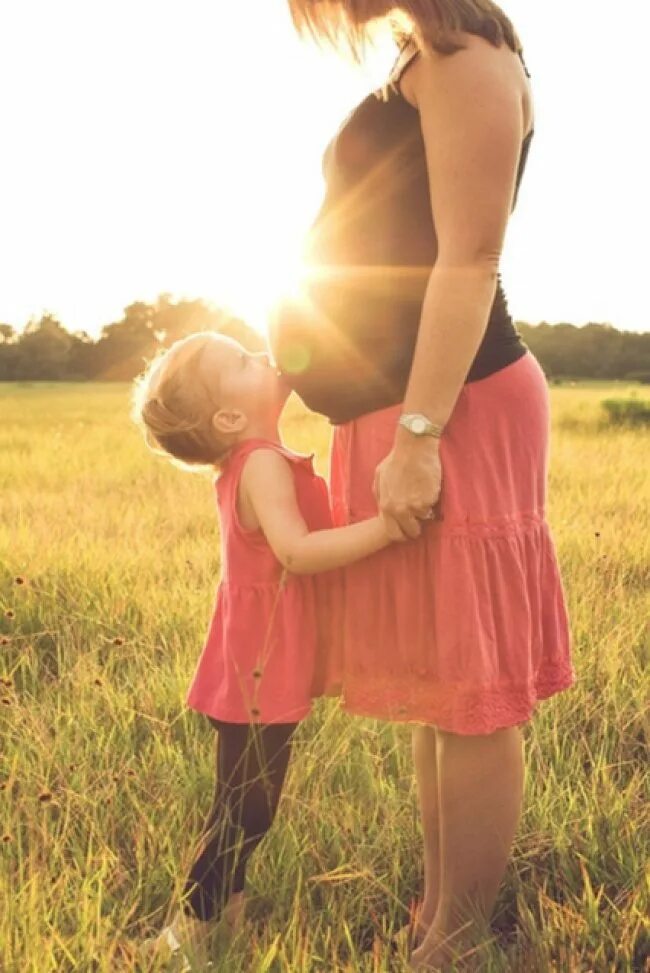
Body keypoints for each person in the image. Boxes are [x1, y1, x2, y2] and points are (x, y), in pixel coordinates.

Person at [271, 1, 576, 967]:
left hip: (459, 406)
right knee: (444, 688)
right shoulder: (423, 54)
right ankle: (438, 924)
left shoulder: (470, 56)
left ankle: (461, 943)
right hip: (415, 407)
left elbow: (472, 257)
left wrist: (417, 432)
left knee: (475, 692)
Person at [129, 331, 398, 969]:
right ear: (228, 416)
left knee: (244, 798)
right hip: (261, 656)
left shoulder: (259, 454)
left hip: (258, 647)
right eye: (244, 360)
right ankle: (186, 930)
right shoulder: (260, 462)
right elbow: (297, 552)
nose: (265, 354)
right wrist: (386, 528)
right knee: (248, 806)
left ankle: (224, 918)